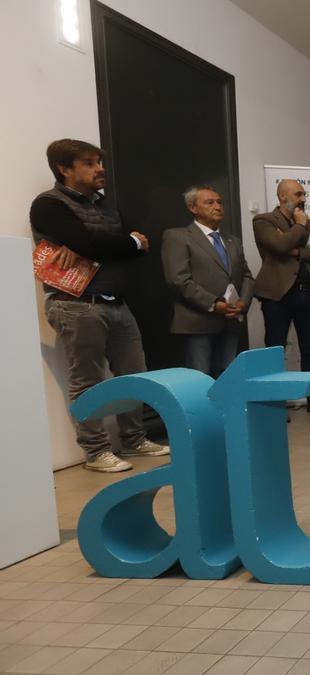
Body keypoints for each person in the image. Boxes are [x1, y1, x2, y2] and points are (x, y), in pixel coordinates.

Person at [30, 139, 169, 472]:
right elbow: (95, 242)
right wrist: (115, 244)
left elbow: (137, 243)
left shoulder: (105, 205)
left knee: (134, 375)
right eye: (90, 163)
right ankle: (95, 451)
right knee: (87, 381)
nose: (100, 168)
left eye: (99, 162)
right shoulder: (48, 205)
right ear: (64, 169)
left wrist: (113, 244)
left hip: (118, 303)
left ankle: (134, 440)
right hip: (76, 304)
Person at [253, 179, 310, 414]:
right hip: (277, 296)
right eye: (298, 194)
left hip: (308, 293)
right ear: (282, 197)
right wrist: (299, 228)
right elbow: (280, 246)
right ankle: (274, 405)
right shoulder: (263, 221)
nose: (303, 198)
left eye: (304, 194)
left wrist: (298, 250)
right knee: (274, 350)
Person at [161, 186, 255, 377]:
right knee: (199, 377)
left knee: (228, 376)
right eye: (209, 202)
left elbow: (246, 275)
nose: (217, 206)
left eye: (219, 202)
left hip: (230, 319)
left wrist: (243, 302)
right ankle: (200, 409)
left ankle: (224, 408)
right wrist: (213, 304)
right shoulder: (177, 236)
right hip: (197, 321)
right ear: (192, 208)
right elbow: (178, 279)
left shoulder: (232, 240)